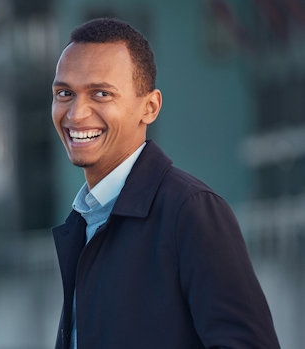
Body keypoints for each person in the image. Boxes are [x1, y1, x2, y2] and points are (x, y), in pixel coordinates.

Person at [50, 18, 279, 349]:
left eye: (101, 93)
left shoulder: (191, 211)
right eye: (65, 93)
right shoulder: (83, 221)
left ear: (150, 107)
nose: (75, 113)